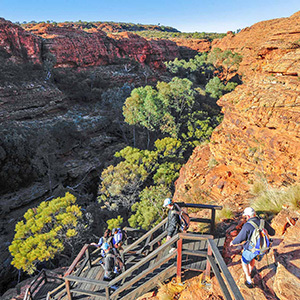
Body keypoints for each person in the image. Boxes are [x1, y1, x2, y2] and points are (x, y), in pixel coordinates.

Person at [230, 207, 275, 288]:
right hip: (263, 248)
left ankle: (248, 279)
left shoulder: (248, 225)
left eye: (246, 216)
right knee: (252, 258)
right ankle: (250, 271)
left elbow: (240, 238)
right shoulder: (262, 221)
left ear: (248, 216)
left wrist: (232, 242)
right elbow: (273, 232)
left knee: (244, 261)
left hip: (252, 248)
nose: (246, 218)